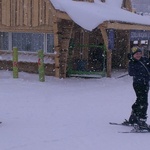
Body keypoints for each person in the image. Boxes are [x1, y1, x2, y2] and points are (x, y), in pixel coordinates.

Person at [126, 46, 150, 128]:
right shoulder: (132, 62)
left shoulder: (145, 60)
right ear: (133, 55)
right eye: (136, 54)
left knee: (140, 100)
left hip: (145, 83)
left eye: (140, 53)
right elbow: (131, 73)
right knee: (143, 102)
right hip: (138, 84)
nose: (138, 55)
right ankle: (141, 120)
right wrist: (141, 74)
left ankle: (134, 117)